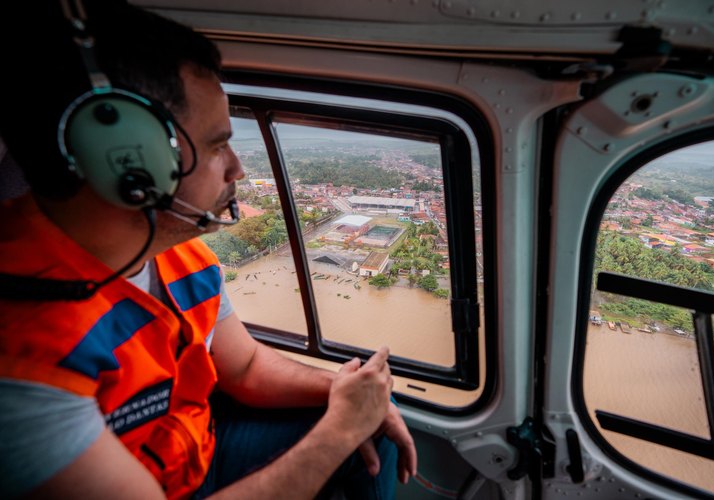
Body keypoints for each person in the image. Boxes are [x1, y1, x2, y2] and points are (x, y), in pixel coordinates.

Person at [0, 1, 417, 498]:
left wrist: (347, 395)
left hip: (197, 452)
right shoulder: (21, 348)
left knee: (375, 441)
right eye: (218, 145)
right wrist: (341, 428)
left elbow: (243, 366)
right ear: (129, 164)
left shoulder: (182, 255)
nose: (238, 168)